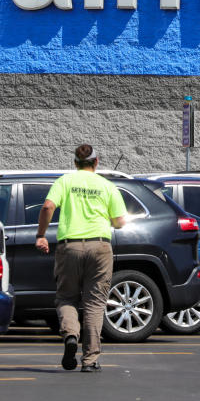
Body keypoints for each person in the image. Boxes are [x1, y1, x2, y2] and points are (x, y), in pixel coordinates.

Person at [35, 144, 126, 372]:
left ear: (75, 163)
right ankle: (90, 359)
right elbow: (119, 222)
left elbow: (47, 206)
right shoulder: (107, 186)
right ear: (96, 162)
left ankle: (70, 336)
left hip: (70, 246)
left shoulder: (65, 181)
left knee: (66, 297)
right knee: (95, 303)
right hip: (100, 246)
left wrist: (41, 235)